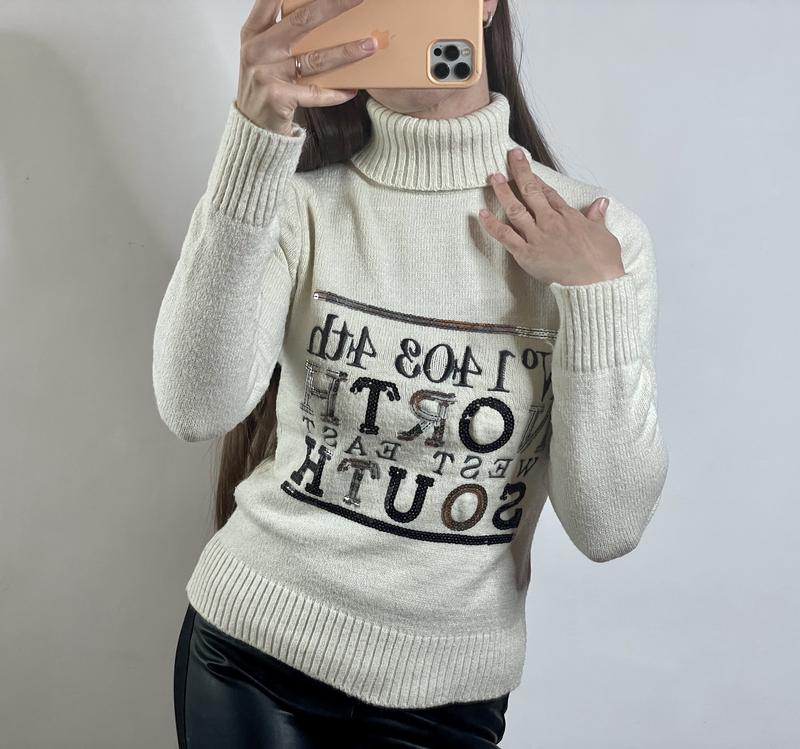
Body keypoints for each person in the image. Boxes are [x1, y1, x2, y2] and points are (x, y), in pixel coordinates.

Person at [153, 0, 670, 745]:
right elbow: (194, 408)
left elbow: (609, 526)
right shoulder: (300, 208)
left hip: (451, 697)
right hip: (253, 654)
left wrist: (595, 296)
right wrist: (253, 139)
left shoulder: (598, 238)